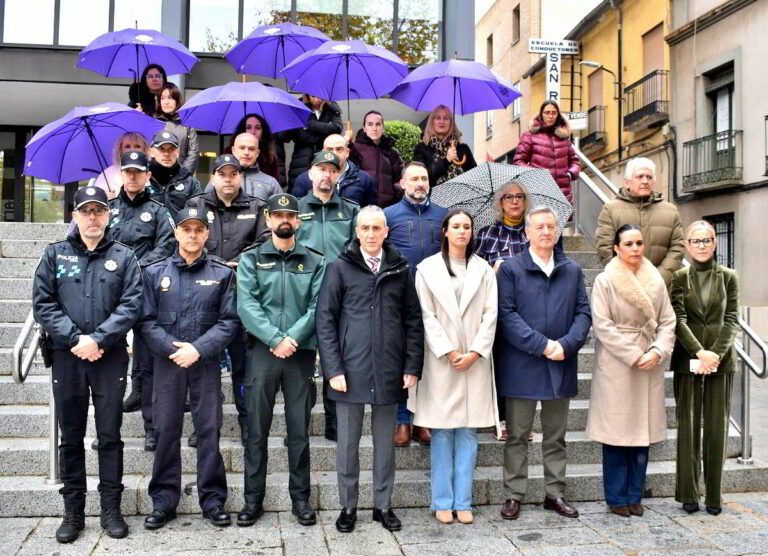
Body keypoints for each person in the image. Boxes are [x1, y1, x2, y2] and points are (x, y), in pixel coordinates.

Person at [32, 187, 142, 543]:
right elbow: (43, 303)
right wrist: (76, 339)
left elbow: (131, 304)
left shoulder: (125, 256)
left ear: (108, 215)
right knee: (71, 436)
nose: (92, 217)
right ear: (75, 216)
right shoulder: (54, 254)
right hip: (68, 357)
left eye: (98, 210)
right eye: (85, 211)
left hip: (109, 357)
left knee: (109, 435)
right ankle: (73, 511)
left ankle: (111, 509)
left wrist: (99, 339)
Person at [316, 205, 424, 533]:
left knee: (384, 446)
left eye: (377, 228)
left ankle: (383, 506)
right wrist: (333, 369)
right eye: (365, 228)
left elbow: (413, 320)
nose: (371, 234)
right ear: (357, 232)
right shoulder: (339, 268)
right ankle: (348, 506)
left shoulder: (400, 269)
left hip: (390, 369)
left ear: (386, 232)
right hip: (349, 370)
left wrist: (412, 364)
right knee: (347, 444)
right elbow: (325, 320)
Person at [139, 207, 239, 530]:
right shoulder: (154, 273)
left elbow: (229, 321)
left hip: (205, 363)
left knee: (208, 431)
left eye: (198, 229)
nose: (193, 235)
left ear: (207, 234)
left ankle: (213, 500)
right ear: (177, 233)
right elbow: (145, 321)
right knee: (166, 430)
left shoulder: (222, 273)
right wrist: (174, 349)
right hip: (167, 364)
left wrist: (198, 349)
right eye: (187, 229)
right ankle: (163, 501)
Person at [496, 206, 591, 521]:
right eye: (539, 227)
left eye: (551, 226)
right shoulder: (511, 269)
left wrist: (566, 345)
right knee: (517, 436)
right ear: (527, 233)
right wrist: (542, 345)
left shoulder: (572, 270)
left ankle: (555, 493)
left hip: (560, 363)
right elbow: (507, 315)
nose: (546, 232)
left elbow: (583, 313)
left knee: (555, 436)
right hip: (522, 365)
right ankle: (513, 494)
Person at [237, 193, 325, 527]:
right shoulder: (251, 259)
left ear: (298, 221)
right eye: (278, 215)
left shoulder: (315, 260)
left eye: (290, 215)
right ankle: (252, 500)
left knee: (299, 431)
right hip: (262, 352)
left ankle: (300, 499)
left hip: (300, 353)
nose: (284, 220)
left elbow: (317, 306)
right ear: (268, 219)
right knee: (256, 431)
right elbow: (247, 305)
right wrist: (275, 339)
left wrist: (292, 338)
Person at [410, 210, 498, 525]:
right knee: (442, 432)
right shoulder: (427, 269)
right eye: (456, 226)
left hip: (474, 361)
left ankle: (464, 501)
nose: (462, 231)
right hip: (441, 361)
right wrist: (448, 351)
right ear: (445, 231)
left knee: (469, 433)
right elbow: (425, 315)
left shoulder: (484, 270)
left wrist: (475, 352)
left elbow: (491, 315)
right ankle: (442, 501)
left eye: (467, 227)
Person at [586, 224, 676, 517]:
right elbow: (603, 326)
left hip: (650, 359)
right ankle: (616, 497)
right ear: (616, 248)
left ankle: (635, 494)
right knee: (616, 434)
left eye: (639, 243)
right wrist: (635, 354)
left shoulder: (655, 278)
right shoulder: (605, 280)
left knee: (641, 433)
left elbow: (668, 321)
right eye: (628, 244)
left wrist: (658, 351)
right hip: (618, 363)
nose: (635, 248)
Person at [186, 154, 269, 444]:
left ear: (241, 177)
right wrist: (219, 264)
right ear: (213, 178)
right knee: (204, 367)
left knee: (244, 368)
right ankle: (204, 426)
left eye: (234, 174)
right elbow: (187, 241)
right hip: (205, 296)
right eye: (222, 174)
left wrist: (241, 261)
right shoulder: (196, 205)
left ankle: (247, 424)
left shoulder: (257, 207)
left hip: (244, 295)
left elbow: (264, 241)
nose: (228, 179)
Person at [670, 221, 739, 516]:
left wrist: (715, 354)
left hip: (721, 362)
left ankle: (713, 495)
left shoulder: (729, 277)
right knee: (687, 427)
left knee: (716, 428)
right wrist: (699, 351)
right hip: (688, 359)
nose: (701, 245)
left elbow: (732, 318)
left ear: (714, 243)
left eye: (706, 240)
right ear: (687, 245)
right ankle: (688, 493)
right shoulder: (679, 277)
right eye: (695, 241)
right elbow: (678, 319)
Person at [108, 151, 175, 451]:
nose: (133, 176)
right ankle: (109, 430)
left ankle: (151, 428)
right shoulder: (108, 210)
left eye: (138, 171)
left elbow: (166, 245)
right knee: (110, 363)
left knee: (148, 364)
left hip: (148, 290)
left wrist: (135, 267)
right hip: (112, 291)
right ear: (122, 175)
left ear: (148, 175)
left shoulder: (159, 211)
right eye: (128, 171)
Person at [296, 150, 360, 441]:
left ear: (338, 175)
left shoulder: (351, 210)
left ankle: (335, 424)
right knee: (303, 362)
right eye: (321, 169)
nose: (327, 175)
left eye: (332, 170)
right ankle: (300, 424)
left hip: (340, 294)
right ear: (311, 173)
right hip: (303, 293)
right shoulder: (295, 208)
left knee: (337, 357)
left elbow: (356, 248)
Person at [383, 161, 446, 447]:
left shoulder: (443, 215)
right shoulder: (389, 215)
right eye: (415, 179)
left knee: (431, 362)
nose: (420, 183)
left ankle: (423, 420)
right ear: (402, 183)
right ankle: (402, 420)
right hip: (400, 298)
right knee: (401, 360)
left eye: (424, 179)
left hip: (436, 297)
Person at [475, 181, 530, 442]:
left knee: (523, 366)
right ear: (500, 202)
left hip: (527, 310)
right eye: (509, 197)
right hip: (495, 309)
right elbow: (472, 271)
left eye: (519, 196)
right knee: (499, 364)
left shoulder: (532, 233)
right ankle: (500, 419)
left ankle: (522, 421)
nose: (514, 201)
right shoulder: (486, 234)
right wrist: (491, 271)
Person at [595, 157, 685, 286]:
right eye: (640, 176)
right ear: (627, 182)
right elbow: (605, 248)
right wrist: (624, 278)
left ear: (653, 181)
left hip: (659, 288)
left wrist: (659, 278)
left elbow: (677, 247)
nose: (645, 181)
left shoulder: (671, 211)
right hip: (623, 287)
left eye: (649, 177)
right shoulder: (610, 210)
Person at [512, 101, 580, 204]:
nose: (550, 116)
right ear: (541, 114)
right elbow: (518, 161)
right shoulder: (530, 135)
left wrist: (570, 174)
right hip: (539, 193)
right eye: (547, 112)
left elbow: (575, 162)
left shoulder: (563, 138)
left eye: (554, 113)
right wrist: (535, 174)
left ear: (557, 115)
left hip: (563, 195)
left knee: (562, 215)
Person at [292, 134, 376, 207]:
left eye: (339, 149)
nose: (334, 154)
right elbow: (296, 212)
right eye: (329, 149)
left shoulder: (364, 179)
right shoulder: (305, 179)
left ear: (347, 152)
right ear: (323, 152)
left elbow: (371, 213)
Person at [280, 94, 342, 191]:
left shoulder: (331, 108)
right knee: (298, 192)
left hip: (324, 159)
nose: (316, 100)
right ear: (307, 96)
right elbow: (286, 136)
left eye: (319, 96)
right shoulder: (298, 107)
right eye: (313, 96)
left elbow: (337, 128)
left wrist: (309, 124)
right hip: (301, 160)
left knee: (324, 191)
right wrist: (323, 132)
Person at [348, 110, 404, 207]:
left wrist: (394, 192)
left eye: (378, 124)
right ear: (364, 128)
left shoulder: (392, 152)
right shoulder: (354, 149)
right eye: (370, 124)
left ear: (383, 128)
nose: (374, 128)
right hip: (362, 206)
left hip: (387, 208)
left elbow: (402, 178)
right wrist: (346, 144)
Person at [412, 105, 476, 187]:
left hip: (462, 193)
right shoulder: (422, 149)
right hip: (433, 195)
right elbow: (421, 177)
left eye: (446, 118)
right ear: (432, 122)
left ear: (451, 123)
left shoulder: (463, 149)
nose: (441, 122)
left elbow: (475, 176)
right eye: (438, 118)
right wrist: (446, 161)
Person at [146, 130, 203, 219]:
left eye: (171, 149)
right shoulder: (142, 179)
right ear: (151, 152)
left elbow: (200, 216)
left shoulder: (191, 183)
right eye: (161, 149)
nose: (166, 154)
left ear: (178, 152)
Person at [217, 133, 282, 204]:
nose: (246, 152)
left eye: (251, 149)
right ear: (233, 150)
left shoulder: (271, 183)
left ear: (257, 153)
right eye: (242, 148)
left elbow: (281, 210)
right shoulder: (218, 180)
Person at [156, 82, 200, 174]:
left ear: (177, 100)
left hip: (182, 174)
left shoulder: (187, 125)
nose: (166, 102)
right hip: (158, 175)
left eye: (170, 98)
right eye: (162, 98)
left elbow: (193, 152)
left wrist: (183, 174)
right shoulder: (154, 123)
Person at [227, 113, 281, 183]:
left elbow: (274, 186)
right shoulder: (228, 153)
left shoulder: (270, 159)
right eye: (248, 127)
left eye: (257, 128)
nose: (253, 132)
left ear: (263, 132)